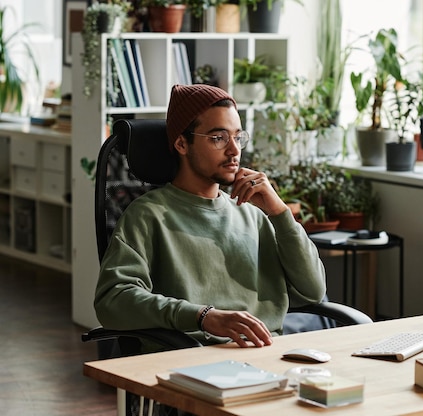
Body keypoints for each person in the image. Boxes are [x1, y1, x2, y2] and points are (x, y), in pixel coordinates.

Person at [94, 84, 327, 349]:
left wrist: (280, 213)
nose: (234, 150)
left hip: (269, 354)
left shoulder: (255, 215)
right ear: (182, 143)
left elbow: (314, 291)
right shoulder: (147, 217)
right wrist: (202, 317)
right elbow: (113, 301)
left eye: (238, 137)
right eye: (218, 138)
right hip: (194, 359)